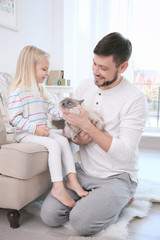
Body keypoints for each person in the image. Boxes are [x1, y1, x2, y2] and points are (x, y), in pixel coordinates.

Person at [40, 32, 148, 236]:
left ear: (122, 67)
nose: (95, 72)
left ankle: (122, 198)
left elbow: (125, 153)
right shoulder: (84, 86)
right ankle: (96, 200)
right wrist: (76, 137)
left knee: (81, 223)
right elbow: (70, 128)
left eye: (103, 68)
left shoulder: (135, 99)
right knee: (50, 216)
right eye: (94, 64)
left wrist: (88, 127)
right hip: (85, 170)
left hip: (118, 176)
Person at [8, 45, 88, 208]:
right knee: (53, 144)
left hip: (40, 132)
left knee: (63, 141)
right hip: (24, 134)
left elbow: (53, 109)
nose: (47, 73)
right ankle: (58, 187)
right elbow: (13, 118)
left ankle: (72, 180)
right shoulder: (18, 91)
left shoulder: (41, 90)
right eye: (44, 69)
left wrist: (65, 113)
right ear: (29, 68)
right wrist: (34, 129)